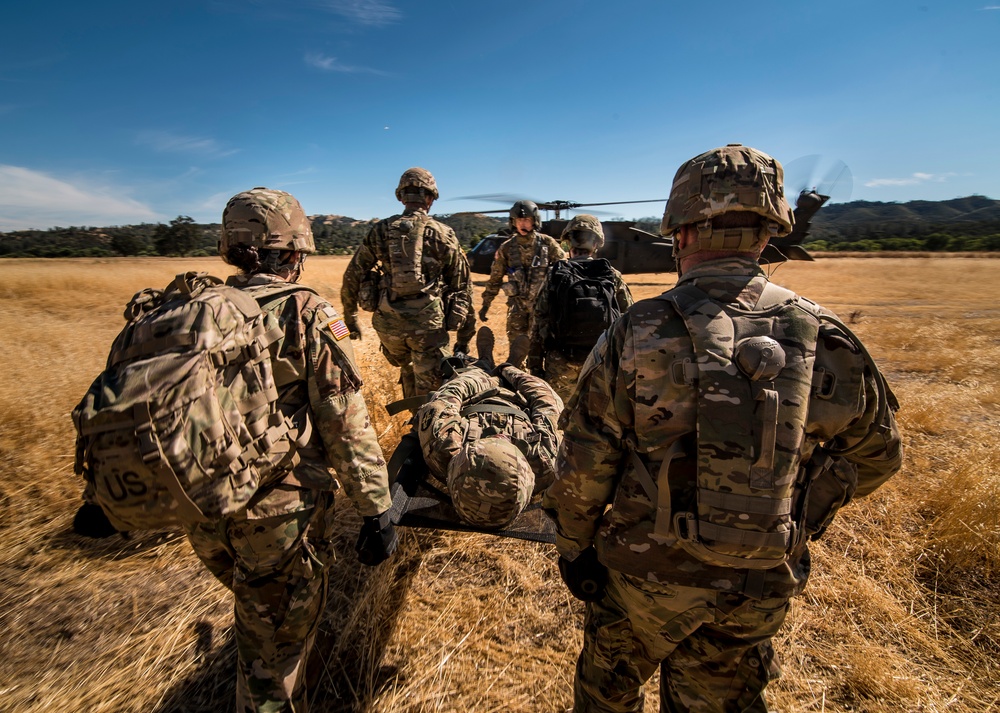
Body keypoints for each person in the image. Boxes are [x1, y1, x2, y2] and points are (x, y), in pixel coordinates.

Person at [543, 145, 903, 713]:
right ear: (767, 233)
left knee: (607, 694)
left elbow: (586, 461)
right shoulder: (827, 337)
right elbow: (878, 456)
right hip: (756, 588)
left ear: (680, 232)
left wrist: (573, 544)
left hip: (642, 580)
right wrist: (791, 511)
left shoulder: (635, 330)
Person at [189, 187, 397, 712]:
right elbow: (346, 423)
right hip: (274, 514)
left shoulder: (195, 308)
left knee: (259, 613)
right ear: (293, 251)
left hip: (199, 507)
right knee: (273, 662)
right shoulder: (307, 312)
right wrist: (375, 508)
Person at [341, 167, 473, 398]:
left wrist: (351, 320)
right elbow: (462, 287)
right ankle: (423, 427)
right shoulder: (443, 233)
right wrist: (463, 339)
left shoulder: (380, 230)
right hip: (428, 329)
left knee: (407, 368)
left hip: (389, 330)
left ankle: (412, 414)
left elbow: (353, 275)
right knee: (433, 395)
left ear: (401, 197)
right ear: (430, 198)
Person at [414, 327, 562, 529]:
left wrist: (484, 377)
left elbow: (450, 394)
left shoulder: (442, 447)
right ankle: (512, 361)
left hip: (478, 393)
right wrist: (509, 371)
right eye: (506, 440)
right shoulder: (544, 462)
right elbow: (547, 400)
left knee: (475, 369)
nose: (500, 435)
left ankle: (484, 360)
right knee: (508, 371)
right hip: (515, 397)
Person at [526, 214, 633, 402]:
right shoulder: (611, 274)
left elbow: (539, 321)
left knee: (559, 417)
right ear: (597, 243)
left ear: (568, 242)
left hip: (561, 363)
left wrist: (535, 365)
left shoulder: (555, 274)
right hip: (602, 362)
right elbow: (629, 319)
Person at [479, 200, 565, 347]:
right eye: (519, 220)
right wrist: (486, 304)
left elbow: (564, 270)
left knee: (540, 347)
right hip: (517, 308)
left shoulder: (547, 244)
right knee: (516, 348)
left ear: (534, 221)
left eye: (526, 219)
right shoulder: (506, 248)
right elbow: (495, 278)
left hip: (542, 307)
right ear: (513, 222)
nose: (522, 224)